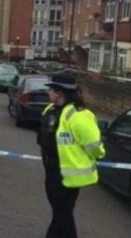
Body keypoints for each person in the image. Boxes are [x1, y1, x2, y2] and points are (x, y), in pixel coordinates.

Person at [38, 74, 105, 238]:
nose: (48, 92)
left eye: (51, 89)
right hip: (52, 172)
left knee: (62, 216)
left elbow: (95, 147)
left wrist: (97, 155)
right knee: (61, 214)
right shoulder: (51, 110)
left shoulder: (78, 115)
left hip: (68, 177)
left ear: (59, 93)